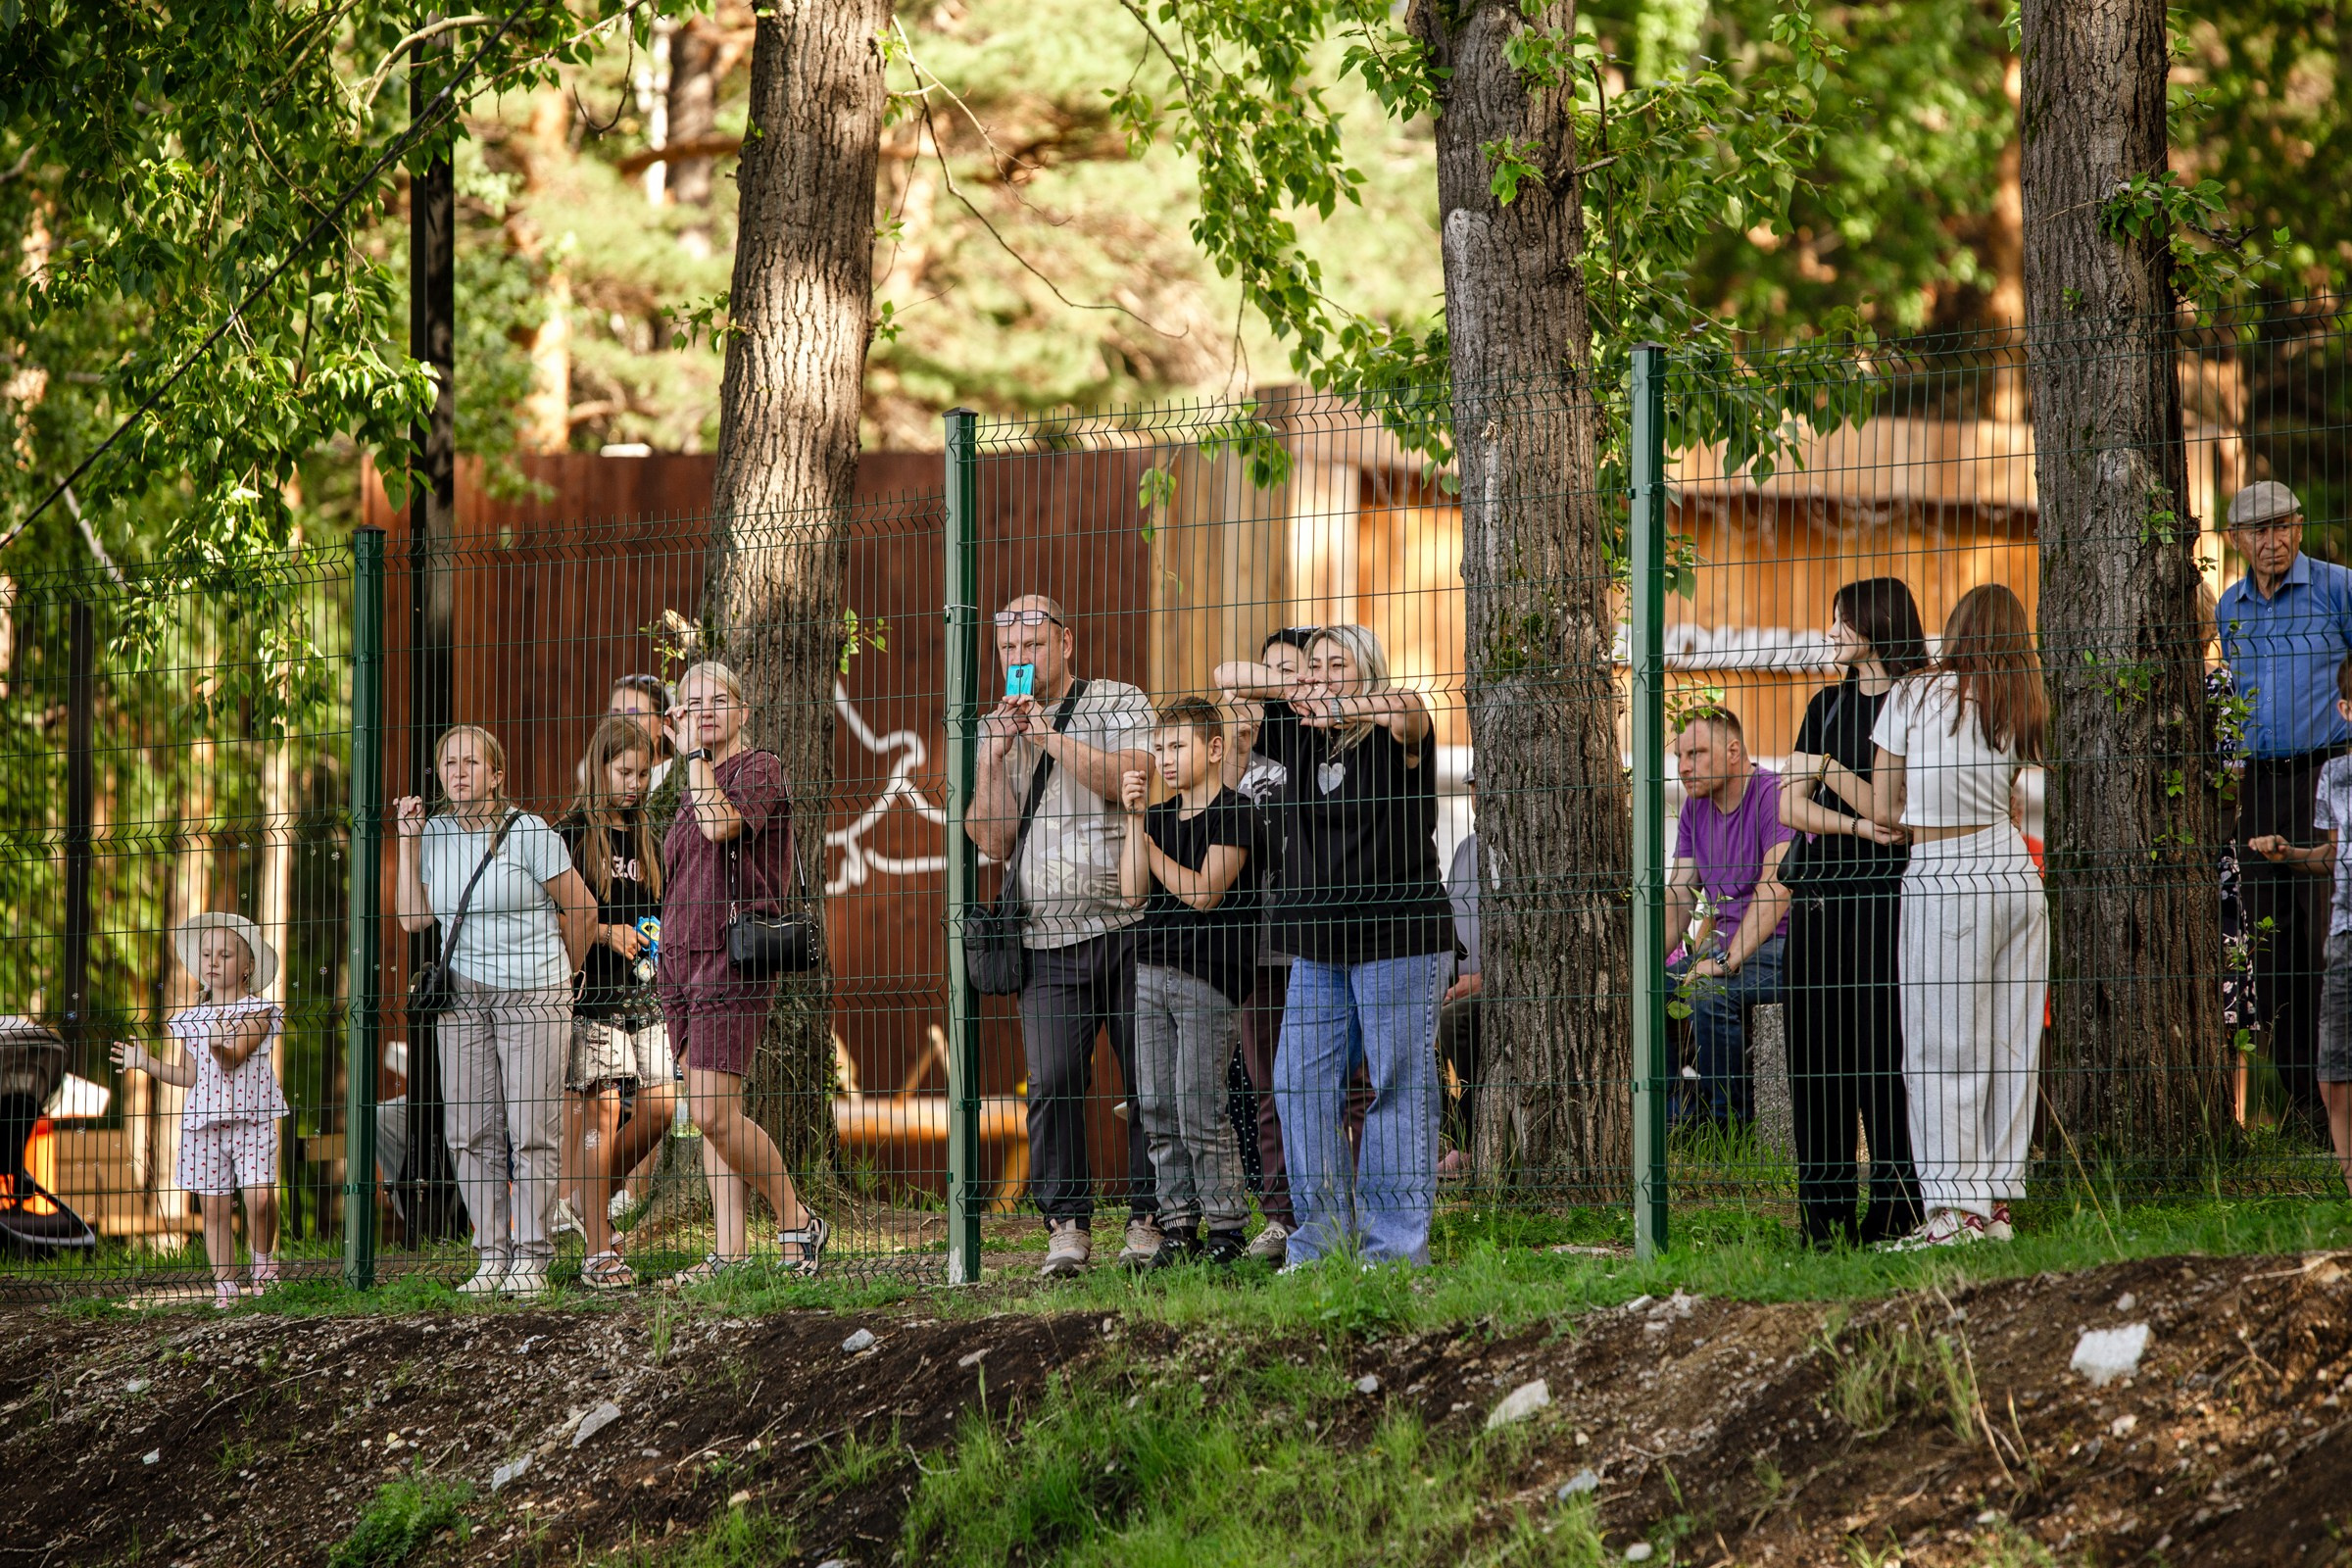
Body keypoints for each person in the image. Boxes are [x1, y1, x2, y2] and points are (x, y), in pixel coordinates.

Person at [1212, 624, 1452, 1267]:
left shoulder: (1396, 738)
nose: (1317, 675)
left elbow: (1410, 710)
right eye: (1309, 664)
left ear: (1366, 670)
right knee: (1296, 1087)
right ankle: (1318, 1246)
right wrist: (1302, 686)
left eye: (1334, 663)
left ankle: (1391, 1250)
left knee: (1396, 1088)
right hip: (1320, 945)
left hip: (1399, 936)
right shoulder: (1294, 736)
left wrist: (1347, 700)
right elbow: (1227, 677)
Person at [967, 594, 1158, 1278]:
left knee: (1147, 1080)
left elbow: (1132, 779)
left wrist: (1048, 734)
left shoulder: (1116, 700)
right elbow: (991, 840)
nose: (1021, 659)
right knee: (1051, 1084)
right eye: (1009, 650)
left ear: (1067, 643)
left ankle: (1149, 1217)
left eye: (1034, 646)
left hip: (1128, 922)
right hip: (1044, 937)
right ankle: (1067, 1227)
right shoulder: (1001, 728)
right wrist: (993, 758)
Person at [1866, 583, 2049, 1249]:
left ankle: (1954, 1209)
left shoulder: (1915, 692)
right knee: (2009, 1041)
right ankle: (1996, 1206)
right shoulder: (2019, 698)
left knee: (1940, 1044)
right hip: (2014, 874)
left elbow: (1886, 808)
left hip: (1949, 873)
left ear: (1958, 627)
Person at [394, 724, 597, 1298]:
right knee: (470, 1130)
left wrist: (568, 978)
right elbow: (413, 919)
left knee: (532, 1128)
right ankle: (491, 1254)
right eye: (449, 764)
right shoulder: (432, 833)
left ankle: (531, 1256)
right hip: (460, 995)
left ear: (497, 774)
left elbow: (580, 908)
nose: (459, 772)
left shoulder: (529, 832)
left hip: (534, 993)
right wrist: (408, 842)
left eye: (472, 763)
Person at [658, 661, 831, 1283]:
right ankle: (728, 1253)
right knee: (711, 1120)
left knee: (711, 1113)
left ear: (742, 710)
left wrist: (692, 757)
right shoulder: (688, 786)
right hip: (679, 965)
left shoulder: (758, 768)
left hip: (731, 961)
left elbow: (720, 822)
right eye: (689, 702)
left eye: (714, 700)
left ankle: (798, 1221)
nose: (702, 710)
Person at [1777, 578, 1927, 1248]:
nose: (1830, 631)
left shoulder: (1918, 701)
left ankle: (1897, 1207)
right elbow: (1787, 803)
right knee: (1817, 1057)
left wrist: (1832, 771)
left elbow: (1890, 809)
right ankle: (1825, 1214)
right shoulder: (1826, 703)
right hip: (1819, 897)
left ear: (1871, 625)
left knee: (1882, 1055)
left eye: (1838, 620)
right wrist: (1859, 826)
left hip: (1884, 903)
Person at [2217, 479, 2349, 1135]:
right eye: (2256, 531)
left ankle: (2339, 1106)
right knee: (2273, 951)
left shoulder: (2336, 587)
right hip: (2260, 787)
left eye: (2282, 527)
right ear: (2236, 541)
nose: (2271, 542)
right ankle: (2302, 1109)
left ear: (2299, 526)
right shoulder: (2229, 608)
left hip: (2328, 775)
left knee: (2330, 939)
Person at [1118, 696, 1257, 1263]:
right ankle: (1178, 1223)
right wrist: (1134, 821)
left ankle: (1225, 1226)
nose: (1164, 759)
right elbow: (1131, 893)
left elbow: (1204, 892)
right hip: (1150, 971)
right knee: (1155, 1104)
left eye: (1177, 746)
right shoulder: (1153, 819)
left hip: (1208, 976)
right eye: (1159, 747)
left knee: (1200, 1103)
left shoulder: (1236, 812)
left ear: (1214, 747)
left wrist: (1151, 854)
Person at [110, 913, 288, 1308]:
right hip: (203, 1124)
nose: (212, 961)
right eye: (207, 954)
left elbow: (232, 1057)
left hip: (252, 1119)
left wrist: (216, 1041)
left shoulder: (259, 1011)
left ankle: (264, 1266)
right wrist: (145, 1062)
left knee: (259, 1199)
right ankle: (225, 1287)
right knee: (214, 1207)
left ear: (247, 967)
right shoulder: (191, 1019)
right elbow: (191, 1075)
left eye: (224, 955)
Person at [557, 714, 677, 1290]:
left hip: (647, 996)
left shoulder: (649, 839)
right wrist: (605, 933)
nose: (634, 783)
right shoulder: (571, 834)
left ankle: (590, 1198)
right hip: (593, 999)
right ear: (600, 767)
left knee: (661, 1108)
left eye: (643, 772)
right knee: (601, 1116)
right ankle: (599, 1252)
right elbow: (550, 917)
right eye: (624, 770)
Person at [1223, 626, 1318, 1262]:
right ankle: (1281, 1216)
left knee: (1330, 1083)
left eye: (1296, 672)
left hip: (1314, 942)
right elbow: (1225, 671)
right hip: (1256, 946)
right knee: (1268, 1086)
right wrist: (1242, 729)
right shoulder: (1244, 758)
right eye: (1271, 673)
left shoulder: (1320, 746)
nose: (1278, 686)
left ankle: (1334, 1208)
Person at [2249, 653, 2352, 1197]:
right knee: (2334, 1076)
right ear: (2345, 709)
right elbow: (2331, 857)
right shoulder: (2335, 777)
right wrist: (2288, 854)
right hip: (2343, 935)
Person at [1664, 708, 1792, 1126]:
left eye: (1696, 753)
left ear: (1733, 750)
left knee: (1708, 996)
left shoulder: (1774, 795)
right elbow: (1679, 894)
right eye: (1681, 755)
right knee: (1653, 991)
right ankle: (1671, 1121)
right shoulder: (1692, 808)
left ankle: (1729, 1129)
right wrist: (1643, 966)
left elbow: (1777, 890)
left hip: (1785, 946)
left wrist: (1724, 961)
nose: (1683, 767)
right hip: (1727, 949)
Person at [1437, 778, 1481, 1177]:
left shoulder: (1522, 849)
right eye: (1473, 785)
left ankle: (1462, 1144)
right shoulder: (1467, 848)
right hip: (1455, 983)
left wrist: (1484, 979)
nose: (1478, 794)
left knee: (1452, 1021)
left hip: (1498, 988)